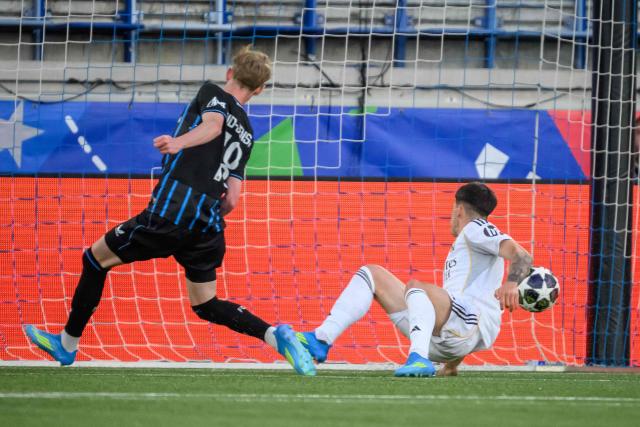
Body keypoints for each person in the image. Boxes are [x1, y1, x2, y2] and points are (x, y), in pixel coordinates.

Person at [25, 46, 316, 376]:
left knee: (95, 259)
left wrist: (178, 143)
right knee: (206, 304)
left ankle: (66, 345)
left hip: (172, 211)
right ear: (261, 88)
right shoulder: (248, 132)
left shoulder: (213, 92)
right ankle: (274, 336)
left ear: (230, 74)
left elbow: (213, 125)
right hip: (207, 224)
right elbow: (232, 199)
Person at [297, 182, 533, 376]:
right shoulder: (468, 243)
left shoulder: (477, 228)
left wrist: (512, 283)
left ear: (458, 209)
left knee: (417, 287)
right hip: (447, 336)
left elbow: (521, 255)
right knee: (371, 274)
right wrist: (451, 364)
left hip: (466, 327)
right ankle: (321, 339)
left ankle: (418, 358)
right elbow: (458, 311)